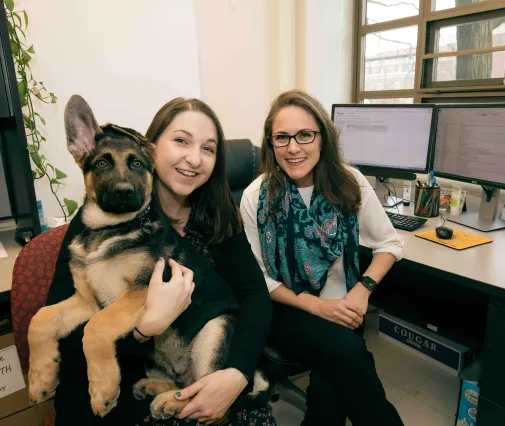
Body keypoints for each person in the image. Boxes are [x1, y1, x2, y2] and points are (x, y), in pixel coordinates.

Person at [45, 98, 276, 426]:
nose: (194, 158)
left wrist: (237, 374)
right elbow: (66, 340)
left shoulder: (216, 213)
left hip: (208, 360)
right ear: (151, 148)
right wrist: (143, 328)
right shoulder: (106, 216)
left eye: (208, 148)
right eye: (181, 140)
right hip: (121, 377)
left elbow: (254, 296)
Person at [240, 89, 405, 426]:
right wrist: (318, 307)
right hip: (286, 308)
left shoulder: (349, 182)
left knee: (330, 395)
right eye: (282, 138)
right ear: (270, 144)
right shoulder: (256, 196)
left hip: (344, 306)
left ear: (323, 138)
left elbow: (389, 244)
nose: (294, 148)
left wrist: (361, 291)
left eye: (305, 135)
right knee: (347, 352)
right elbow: (260, 279)